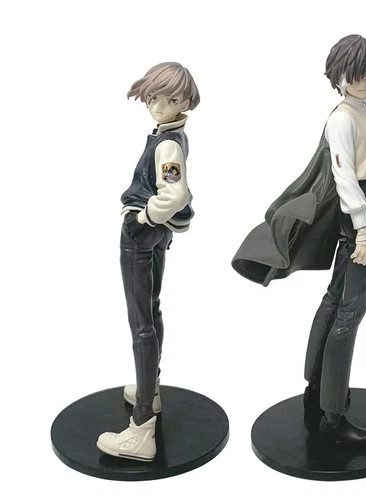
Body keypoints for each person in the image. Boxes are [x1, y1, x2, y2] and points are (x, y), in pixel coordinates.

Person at [232, 35, 366, 447]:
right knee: (349, 310)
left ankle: (316, 393)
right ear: (340, 76)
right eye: (359, 74)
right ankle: (333, 414)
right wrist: (363, 231)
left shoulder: (364, 112)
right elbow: (345, 177)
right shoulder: (343, 119)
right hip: (362, 211)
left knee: (335, 301)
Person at [96, 62, 200, 461]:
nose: (159, 105)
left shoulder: (168, 145)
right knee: (151, 311)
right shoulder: (167, 136)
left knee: (141, 322)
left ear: (185, 101)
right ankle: (149, 390)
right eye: (154, 97)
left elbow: (174, 193)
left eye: (170, 99)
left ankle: (142, 429)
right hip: (158, 234)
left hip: (143, 233)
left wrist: (141, 219)